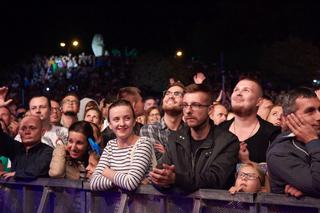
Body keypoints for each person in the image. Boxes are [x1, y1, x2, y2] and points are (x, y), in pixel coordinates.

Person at [150, 84, 239, 193]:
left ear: (210, 110)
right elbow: (159, 176)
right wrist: (163, 180)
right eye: (185, 105)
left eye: (195, 105)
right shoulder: (175, 138)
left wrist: (176, 179)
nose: (188, 111)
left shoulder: (227, 141)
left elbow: (215, 179)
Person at [267, 87, 320, 198]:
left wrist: (308, 191)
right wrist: (312, 140)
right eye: (310, 111)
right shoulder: (280, 152)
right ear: (288, 119)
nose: (319, 116)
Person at [90, 100, 154, 191]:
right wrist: (123, 180)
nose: (122, 123)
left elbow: (130, 183)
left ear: (134, 121)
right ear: (110, 124)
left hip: (141, 204)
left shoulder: (143, 144)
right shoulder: (110, 146)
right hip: (116, 205)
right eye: (116, 119)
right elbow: (94, 182)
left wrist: (107, 172)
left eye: (127, 118)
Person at [220, 78, 281, 163]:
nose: (238, 93)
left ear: (259, 101)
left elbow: (277, 172)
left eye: (246, 90)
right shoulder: (218, 131)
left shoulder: (272, 134)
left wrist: (247, 162)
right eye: (236, 90)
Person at [140, 82, 185, 159]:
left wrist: (166, 153)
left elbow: (192, 164)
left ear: (185, 102)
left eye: (177, 94)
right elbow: (157, 162)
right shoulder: (149, 129)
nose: (171, 96)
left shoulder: (190, 132)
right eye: (167, 93)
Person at [0, 115, 53, 180]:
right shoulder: (15, 148)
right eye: (23, 128)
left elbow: (38, 169)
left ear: (42, 132)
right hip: (14, 189)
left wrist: (16, 174)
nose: (27, 132)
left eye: (32, 128)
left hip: (39, 189)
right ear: (19, 132)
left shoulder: (48, 151)